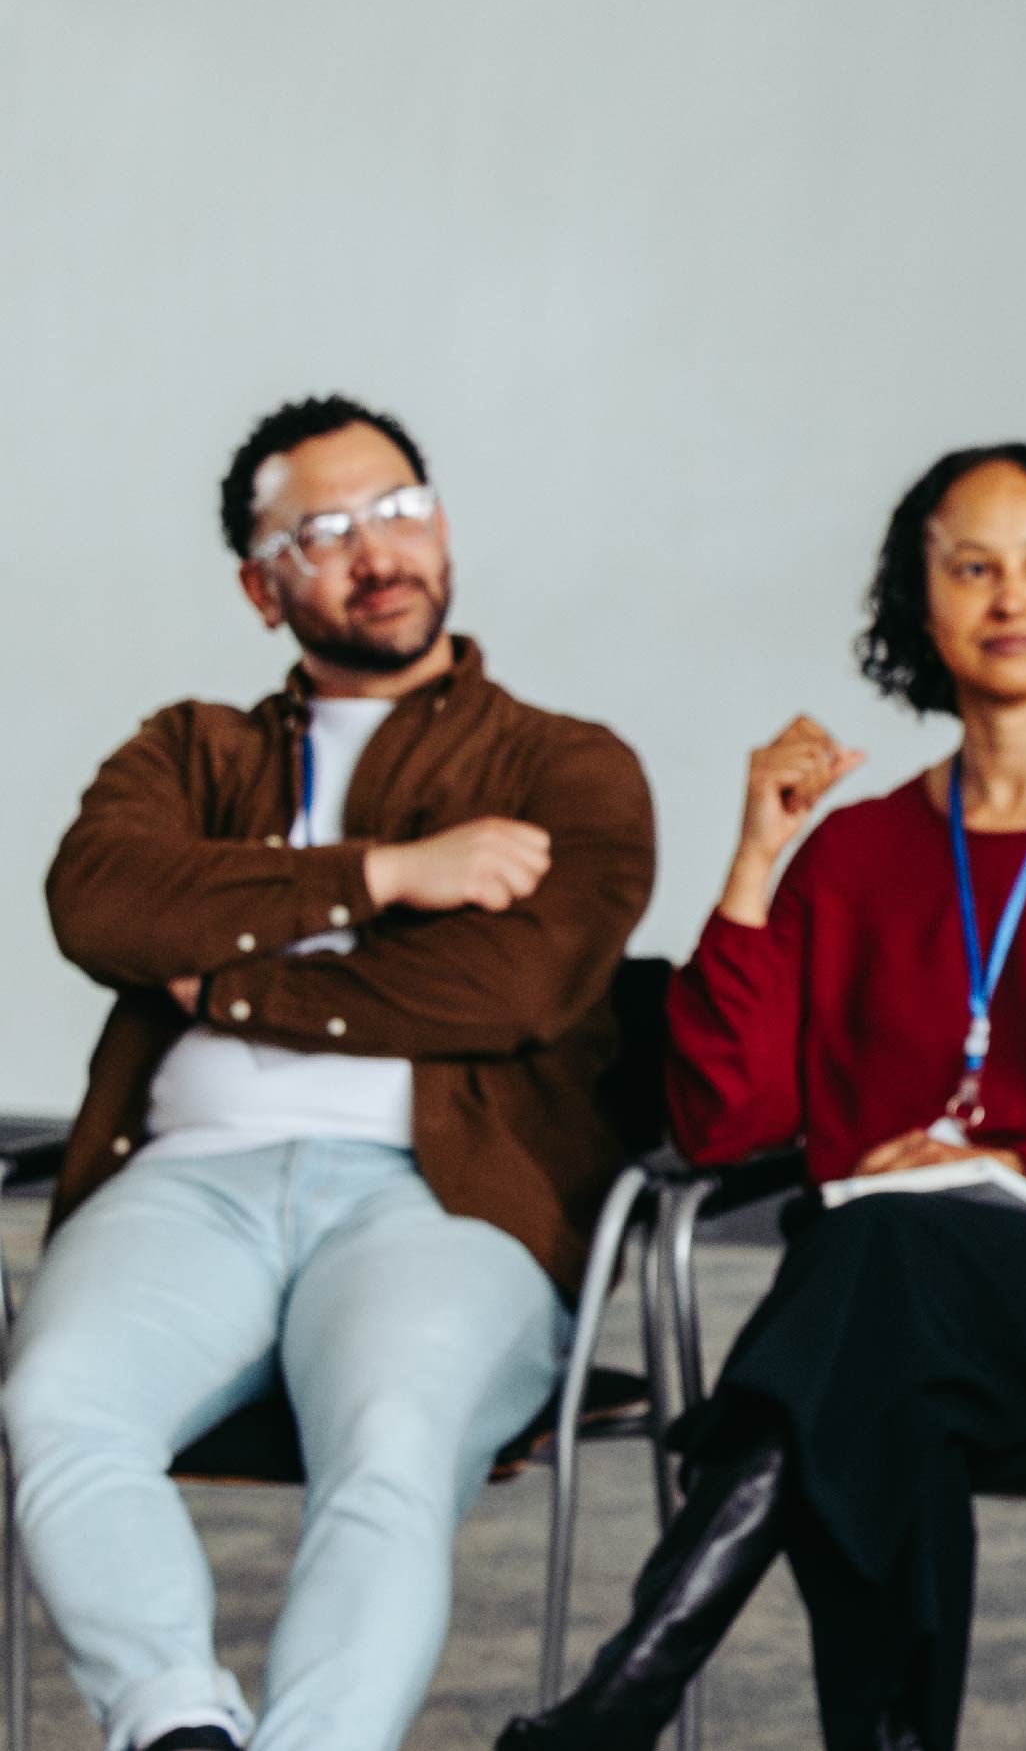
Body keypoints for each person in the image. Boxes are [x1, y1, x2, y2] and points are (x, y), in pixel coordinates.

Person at [510, 443, 1026, 1751]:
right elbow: (727, 1123)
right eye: (971, 566)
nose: (1010, 596)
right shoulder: (860, 847)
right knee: (885, 1363)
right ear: (916, 607)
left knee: (876, 1258)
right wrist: (759, 855)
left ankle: (621, 1701)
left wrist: (993, 1170)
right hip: (890, 1312)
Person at [8, 396, 653, 1751]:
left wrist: (227, 975)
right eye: (327, 530)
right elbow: (100, 901)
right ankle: (181, 1725)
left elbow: (517, 986)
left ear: (444, 525)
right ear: (262, 587)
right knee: (54, 1399)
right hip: (187, 1185)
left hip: (441, 1198)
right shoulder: (189, 750)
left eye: (402, 507)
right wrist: (388, 877)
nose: (380, 549)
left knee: (392, 1443)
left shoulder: (564, 762)